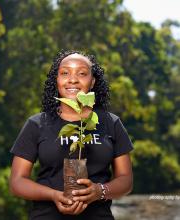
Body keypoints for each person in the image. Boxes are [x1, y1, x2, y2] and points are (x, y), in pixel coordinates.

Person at [9, 50, 133, 220]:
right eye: (64, 73)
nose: (72, 79)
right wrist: (53, 195)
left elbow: (126, 180)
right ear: (57, 80)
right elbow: (17, 182)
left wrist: (99, 191)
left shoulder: (110, 123)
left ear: (92, 82)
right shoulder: (37, 124)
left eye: (82, 73)